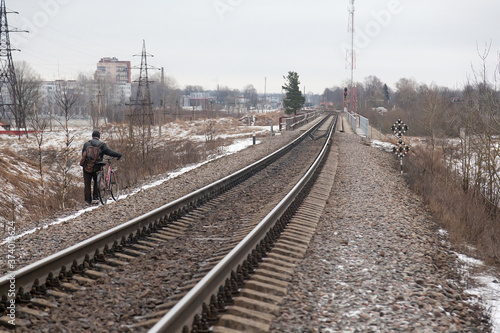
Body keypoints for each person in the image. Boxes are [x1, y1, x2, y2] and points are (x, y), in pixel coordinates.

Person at [80, 130, 122, 205]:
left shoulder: (86, 144)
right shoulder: (102, 145)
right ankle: (96, 198)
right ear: (99, 137)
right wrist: (118, 155)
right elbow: (110, 152)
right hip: (97, 167)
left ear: (92, 136)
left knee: (87, 184)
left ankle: (87, 201)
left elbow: (83, 155)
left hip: (87, 167)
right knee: (96, 182)